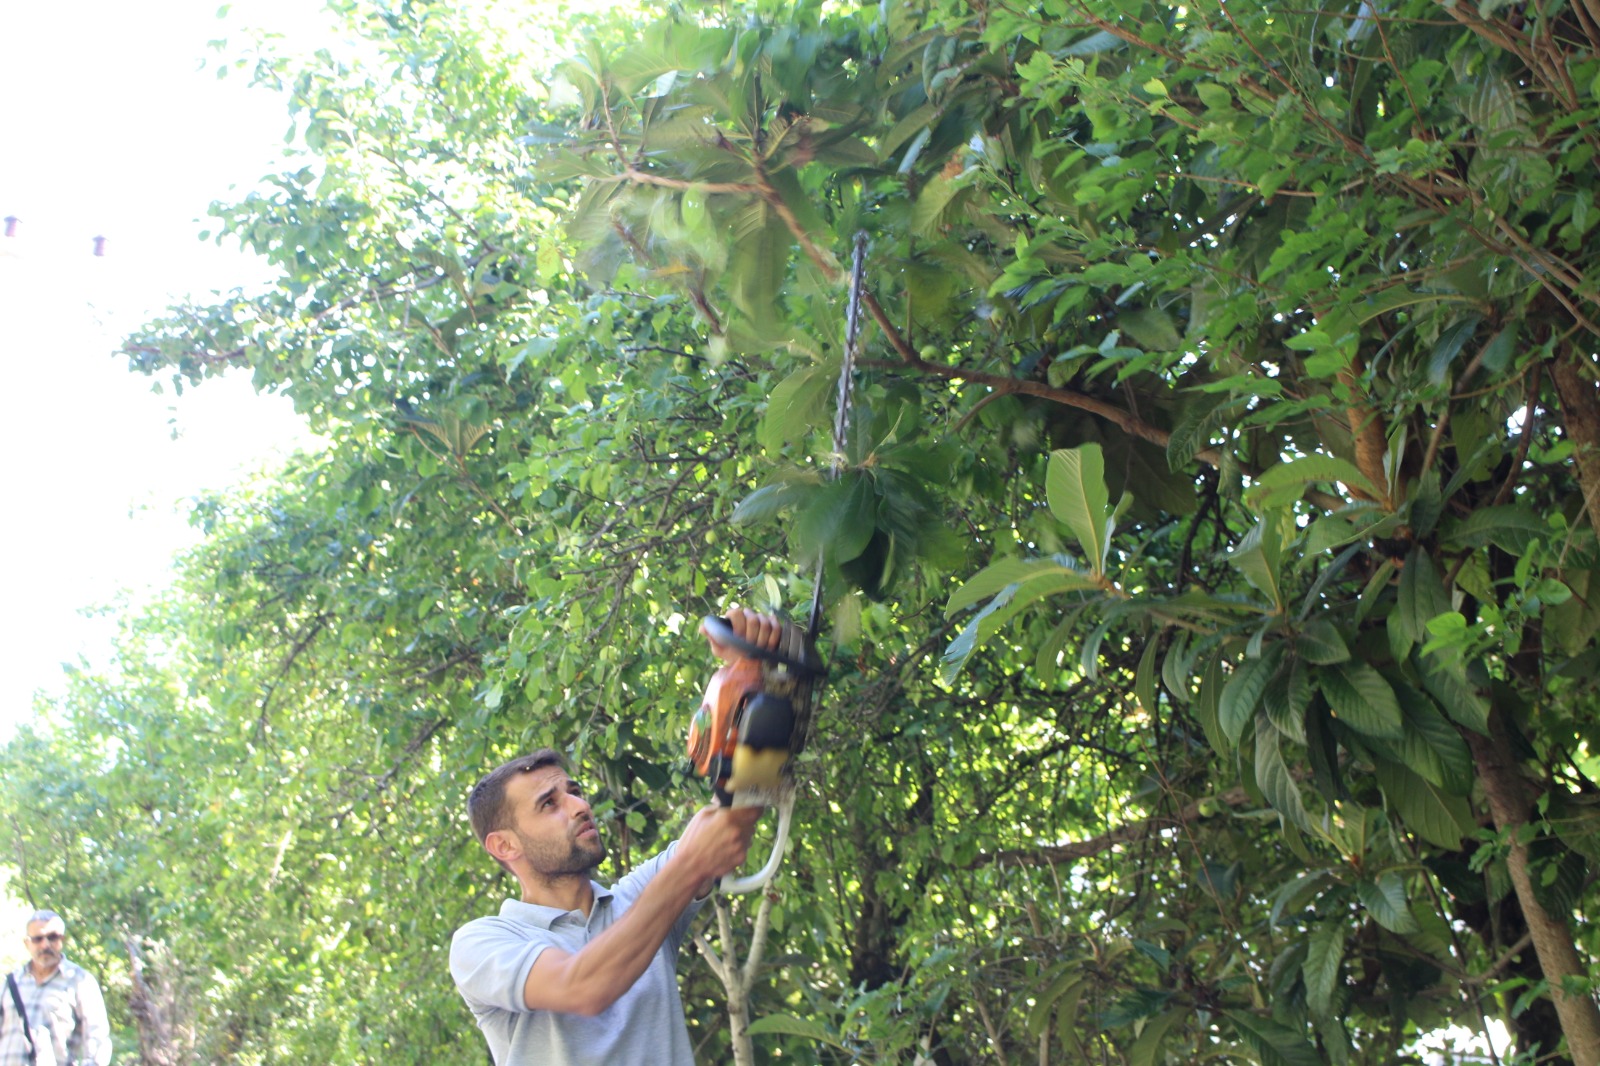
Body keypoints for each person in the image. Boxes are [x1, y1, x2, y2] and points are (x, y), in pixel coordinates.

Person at [450, 607, 785, 1065]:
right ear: (505, 845)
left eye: (575, 791)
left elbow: (733, 821)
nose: (579, 805)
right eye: (549, 803)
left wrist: (753, 684)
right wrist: (687, 866)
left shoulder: (635, 899)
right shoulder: (484, 943)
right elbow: (582, 987)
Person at [11, 911, 109, 1066]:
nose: (45, 945)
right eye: (38, 939)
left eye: (52, 937)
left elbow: (98, 1038)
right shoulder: (11, 982)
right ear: (27, 943)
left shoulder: (80, 981)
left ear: (62, 940)